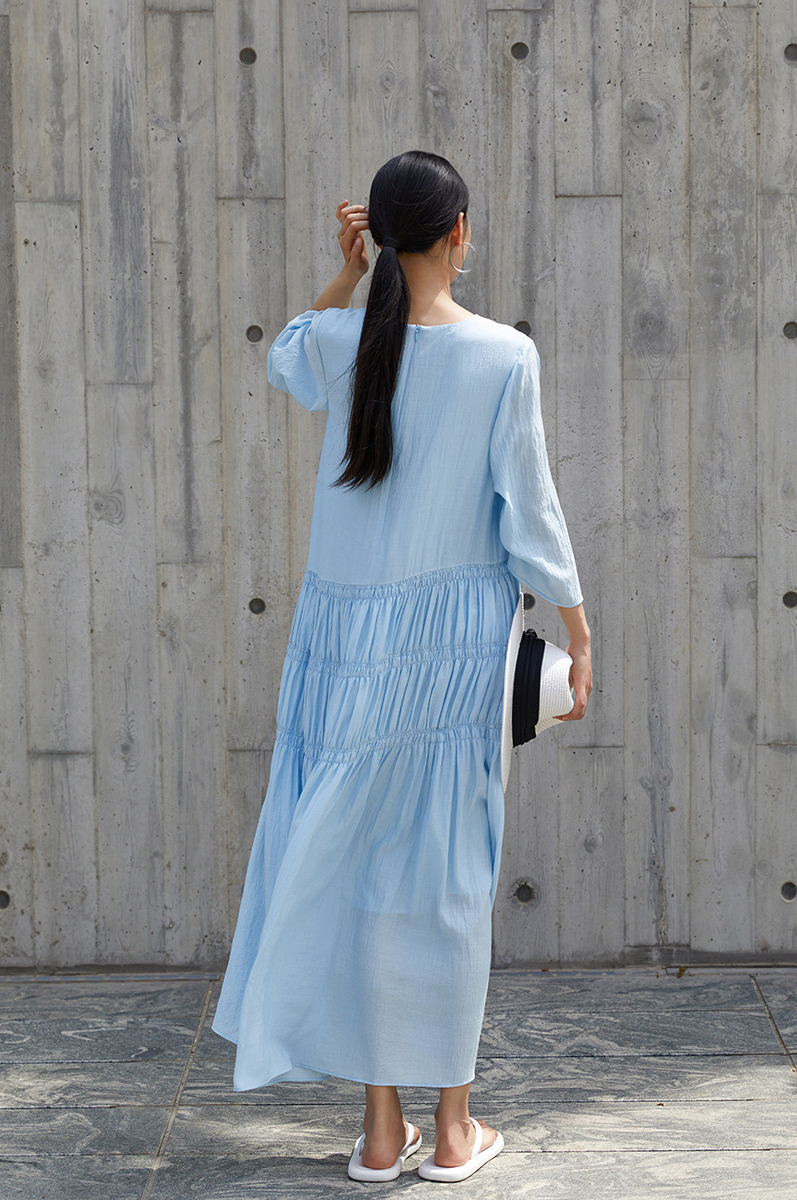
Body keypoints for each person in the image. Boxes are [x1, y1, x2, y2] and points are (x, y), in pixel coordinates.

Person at [211, 149, 592, 1184]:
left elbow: (288, 358)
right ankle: (453, 1129)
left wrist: (345, 276)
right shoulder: (501, 355)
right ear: (458, 232)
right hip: (450, 652)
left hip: (340, 653)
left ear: (377, 236)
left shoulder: (342, 338)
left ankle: (383, 1133)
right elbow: (529, 507)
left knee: (361, 873)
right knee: (444, 883)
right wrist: (576, 625)